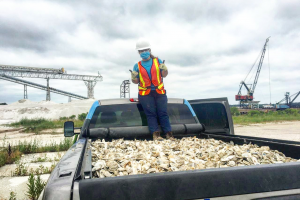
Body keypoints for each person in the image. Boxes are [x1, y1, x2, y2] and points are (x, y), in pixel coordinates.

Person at [131, 40, 175, 141]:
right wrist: (133, 77)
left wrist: (165, 69)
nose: (143, 52)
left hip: (159, 91)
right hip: (145, 93)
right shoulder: (137, 66)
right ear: (139, 53)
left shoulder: (157, 61)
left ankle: (169, 134)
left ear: (149, 50)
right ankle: (156, 135)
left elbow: (164, 75)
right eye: (141, 51)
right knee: (151, 114)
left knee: (163, 112)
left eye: (145, 50)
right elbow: (136, 81)